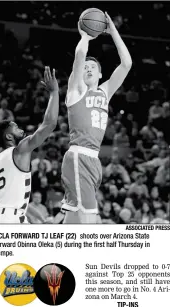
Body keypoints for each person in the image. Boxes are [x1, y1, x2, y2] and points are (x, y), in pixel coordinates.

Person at [61, 12, 132, 223]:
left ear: (101, 75)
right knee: (90, 219)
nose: (88, 68)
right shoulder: (76, 91)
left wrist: (113, 32)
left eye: (93, 67)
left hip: (94, 159)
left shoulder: (104, 92)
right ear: (79, 74)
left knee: (76, 217)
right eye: (85, 68)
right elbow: (79, 58)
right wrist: (85, 37)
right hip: (79, 157)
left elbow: (126, 64)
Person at [0, 67, 59, 223]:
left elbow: (14, 200)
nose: (21, 128)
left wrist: (41, 219)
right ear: (9, 136)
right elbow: (49, 124)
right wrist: (54, 93)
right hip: (12, 219)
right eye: (16, 127)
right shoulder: (20, 150)